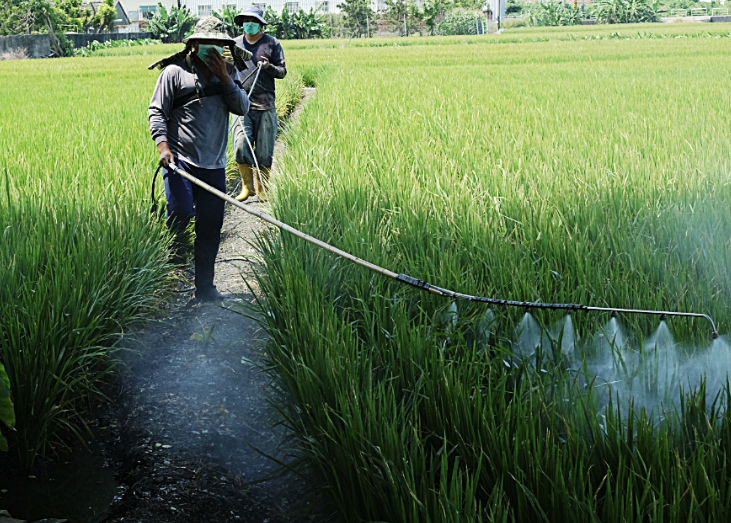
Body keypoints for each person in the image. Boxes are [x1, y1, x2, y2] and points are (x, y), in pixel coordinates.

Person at [148, 17, 251, 302]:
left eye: (217, 45)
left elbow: (243, 107)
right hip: (179, 161)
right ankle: (170, 262)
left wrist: (226, 79)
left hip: (214, 164)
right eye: (206, 45)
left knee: (210, 227)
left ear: (224, 47)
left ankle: (204, 288)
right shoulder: (174, 73)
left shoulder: (229, 73)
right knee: (181, 211)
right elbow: (157, 111)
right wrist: (163, 147)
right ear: (193, 45)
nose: (211, 50)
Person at [232, 5, 287, 203]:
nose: (249, 24)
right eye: (246, 21)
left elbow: (282, 71)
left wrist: (268, 67)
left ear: (260, 24)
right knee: (240, 145)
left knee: (264, 151)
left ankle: (262, 187)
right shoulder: (234, 44)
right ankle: (247, 187)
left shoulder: (272, 43)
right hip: (241, 104)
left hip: (265, 104)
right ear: (242, 23)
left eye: (253, 21)